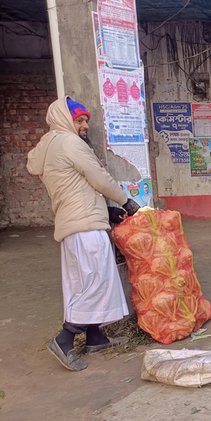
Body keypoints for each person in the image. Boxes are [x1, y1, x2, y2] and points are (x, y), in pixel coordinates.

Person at [26, 97, 140, 371]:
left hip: (76, 223)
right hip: (85, 227)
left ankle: (95, 337)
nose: (84, 125)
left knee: (85, 280)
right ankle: (64, 340)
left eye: (86, 119)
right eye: (79, 120)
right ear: (65, 120)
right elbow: (99, 179)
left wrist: (107, 212)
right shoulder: (69, 142)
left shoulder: (51, 145)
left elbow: (78, 186)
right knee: (95, 282)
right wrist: (125, 202)